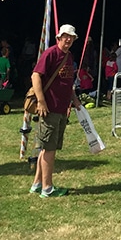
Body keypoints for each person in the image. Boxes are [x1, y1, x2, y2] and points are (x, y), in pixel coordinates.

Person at [29, 24, 82, 198]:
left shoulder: (68, 56)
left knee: (47, 148)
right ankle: (47, 188)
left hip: (60, 108)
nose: (68, 39)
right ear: (58, 38)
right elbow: (36, 75)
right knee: (49, 149)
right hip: (49, 108)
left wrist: (74, 100)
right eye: (65, 36)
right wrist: (41, 102)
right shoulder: (51, 53)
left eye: (71, 37)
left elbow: (68, 82)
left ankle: (37, 184)